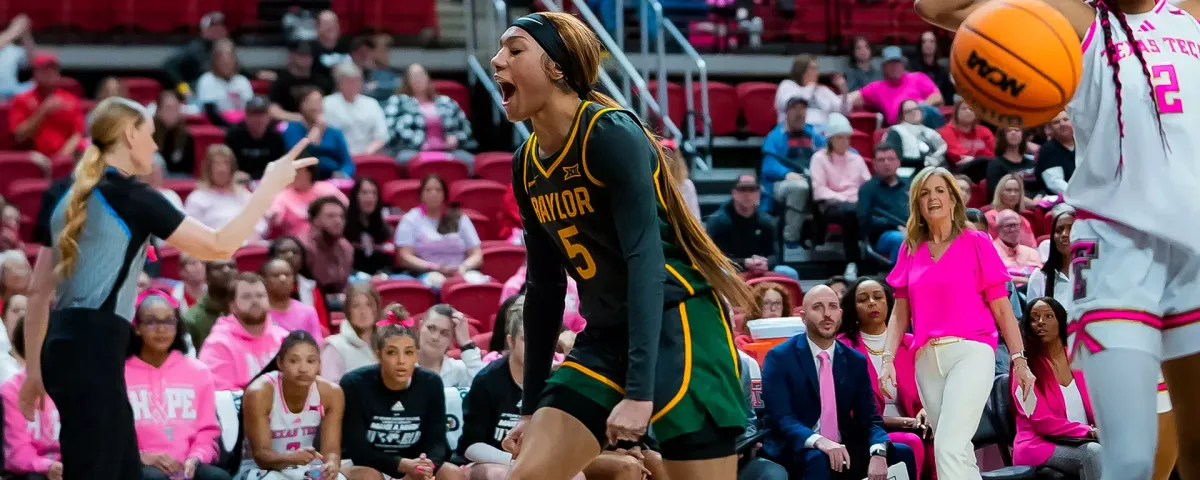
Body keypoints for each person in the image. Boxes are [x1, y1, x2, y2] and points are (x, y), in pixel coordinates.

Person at [493, 11, 753, 480]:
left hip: (679, 321)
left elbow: (645, 259)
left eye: (514, 51)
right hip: (608, 331)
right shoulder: (526, 163)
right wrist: (531, 406)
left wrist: (638, 392)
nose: (496, 62)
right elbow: (545, 285)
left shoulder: (609, 133)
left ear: (556, 67)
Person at [17, 97, 314, 479]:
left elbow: (39, 292)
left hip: (64, 346)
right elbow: (220, 245)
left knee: (119, 468)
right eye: (150, 135)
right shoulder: (132, 197)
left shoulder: (61, 192)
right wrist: (269, 185)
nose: (156, 147)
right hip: (95, 349)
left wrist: (33, 374)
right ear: (129, 134)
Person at [877, 167, 1033, 480]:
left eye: (939, 191)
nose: (932, 197)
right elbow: (899, 313)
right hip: (926, 358)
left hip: (972, 351)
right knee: (958, 453)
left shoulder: (977, 241)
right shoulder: (910, 248)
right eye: (924, 193)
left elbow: (1002, 309)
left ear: (952, 200)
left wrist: (1019, 360)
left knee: (948, 446)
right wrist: (888, 358)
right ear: (917, 204)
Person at [760, 285, 918, 479]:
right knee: (819, 459)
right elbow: (782, 419)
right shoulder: (780, 357)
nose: (827, 314)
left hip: (842, 445)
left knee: (902, 453)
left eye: (833, 307)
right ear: (803, 316)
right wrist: (819, 441)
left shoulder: (854, 360)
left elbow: (870, 419)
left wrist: (879, 451)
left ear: (840, 314)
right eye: (818, 307)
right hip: (798, 446)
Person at [339, 324, 465, 480]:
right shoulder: (354, 384)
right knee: (368, 477)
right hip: (369, 465)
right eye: (392, 353)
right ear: (379, 355)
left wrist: (426, 466)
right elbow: (357, 449)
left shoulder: (431, 382)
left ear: (416, 356)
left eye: (408, 353)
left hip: (414, 465)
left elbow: (437, 442)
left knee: (452, 474)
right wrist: (401, 464)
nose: (401, 361)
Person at [125, 290, 229, 480]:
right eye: (151, 321)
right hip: (140, 466)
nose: (161, 329)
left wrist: (196, 458)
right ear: (137, 328)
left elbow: (207, 432)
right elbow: (112, 435)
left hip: (188, 465)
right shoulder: (120, 374)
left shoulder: (198, 372)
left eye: (168, 321)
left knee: (218, 477)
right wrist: (140, 457)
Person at [838, 277, 932, 479]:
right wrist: (905, 423)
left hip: (917, 425)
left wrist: (925, 410)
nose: (872, 302)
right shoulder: (843, 348)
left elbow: (929, 387)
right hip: (870, 432)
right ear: (852, 309)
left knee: (942, 440)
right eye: (863, 299)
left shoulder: (909, 343)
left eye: (878, 297)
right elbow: (852, 413)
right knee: (911, 442)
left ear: (889, 304)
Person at [1011, 297, 1101, 478]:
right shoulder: (1023, 370)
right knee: (1093, 454)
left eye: (1048, 316)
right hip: (1040, 444)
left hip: (1082, 438)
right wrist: (1089, 432)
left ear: (1061, 321)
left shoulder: (1078, 357)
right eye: (1034, 318)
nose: (1041, 322)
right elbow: (1043, 422)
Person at [235, 331, 345, 479]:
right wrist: (291, 458)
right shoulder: (259, 392)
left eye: (311, 361)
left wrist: (331, 464)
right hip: (259, 469)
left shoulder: (331, 393)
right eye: (294, 361)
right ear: (280, 363)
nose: (303, 369)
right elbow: (261, 456)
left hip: (303, 468)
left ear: (319, 364)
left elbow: (331, 450)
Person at [197, 272, 291, 391]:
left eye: (260, 295)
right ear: (233, 306)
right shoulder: (218, 344)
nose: (255, 301)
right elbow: (222, 397)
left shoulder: (284, 339)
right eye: (246, 296)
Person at [3, 318, 63, 480]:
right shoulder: (10, 391)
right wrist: (47, 466)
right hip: (31, 472)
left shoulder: (74, 385)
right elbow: (17, 453)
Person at [810, 113, 870, 277]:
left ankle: (870, 256)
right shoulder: (819, 158)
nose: (845, 141)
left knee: (864, 212)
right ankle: (853, 261)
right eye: (840, 138)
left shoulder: (856, 159)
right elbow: (819, 190)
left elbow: (867, 185)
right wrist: (844, 198)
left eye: (847, 138)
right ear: (831, 139)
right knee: (850, 213)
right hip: (831, 204)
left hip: (855, 203)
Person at [382, 63, 475, 167]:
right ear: (407, 81)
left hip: (447, 150)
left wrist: (456, 138)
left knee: (469, 161)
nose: (418, 79)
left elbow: (465, 127)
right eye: (413, 76)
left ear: (427, 78)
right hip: (413, 151)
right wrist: (420, 143)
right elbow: (391, 131)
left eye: (421, 74)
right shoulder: (398, 102)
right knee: (404, 159)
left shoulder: (446, 102)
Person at [855, 144, 909, 262]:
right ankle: (899, 278)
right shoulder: (867, 189)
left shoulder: (909, 186)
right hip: (883, 236)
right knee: (901, 238)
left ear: (898, 162)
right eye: (881, 160)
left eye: (890, 159)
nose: (886, 163)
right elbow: (865, 220)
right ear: (874, 164)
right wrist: (895, 226)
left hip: (913, 230)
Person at [323, 62, 388, 156]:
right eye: (349, 81)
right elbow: (326, 135)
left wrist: (366, 152)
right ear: (339, 82)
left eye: (357, 81)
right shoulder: (327, 103)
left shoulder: (371, 103)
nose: (354, 85)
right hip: (338, 156)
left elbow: (381, 136)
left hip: (368, 155)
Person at [320, 283, 380, 383]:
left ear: (377, 309)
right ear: (347, 311)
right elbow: (328, 392)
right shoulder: (334, 347)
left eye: (369, 305)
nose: (363, 311)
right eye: (356, 306)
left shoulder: (387, 342)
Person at [415, 304, 484, 388]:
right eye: (431, 328)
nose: (435, 337)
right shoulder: (401, 365)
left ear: (452, 339)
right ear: (420, 326)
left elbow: (485, 388)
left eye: (444, 333)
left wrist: (466, 343)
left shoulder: (458, 370)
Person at [774, 54, 844, 127]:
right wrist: (810, 87)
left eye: (817, 69)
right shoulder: (787, 85)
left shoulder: (822, 90)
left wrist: (843, 90)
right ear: (801, 70)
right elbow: (796, 105)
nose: (817, 73)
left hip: (821, 133)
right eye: (813, 69)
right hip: (793, 132)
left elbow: (843, 110)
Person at [262, 258, 324, 340]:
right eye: (276, 275)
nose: (283, 279)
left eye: (287, 275)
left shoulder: (308, 312)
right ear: (264, 280)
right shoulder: (260, 312)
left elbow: (317, 345)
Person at [345, 177, 395, 275]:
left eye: (374, 193)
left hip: (381, 277)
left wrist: (383, 274)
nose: (370, 197)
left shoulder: (385, 229)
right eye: (364, 193)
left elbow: (389, 261)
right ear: (355, 196)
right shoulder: (343, 227)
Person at [884, 99, 947, 168]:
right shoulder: (896, 131)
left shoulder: (931, 132)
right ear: (902, 116)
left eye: (916, 109)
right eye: (908, 111)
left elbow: (942, 151)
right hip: (907, 173)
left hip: (933, 171)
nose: (914, 112)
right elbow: (894, 158)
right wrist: (924, 162)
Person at [151, 90, 196, 176]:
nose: (173, 113)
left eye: (176, 108)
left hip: (179, 178)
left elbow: (188, 170)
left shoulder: (186, 136)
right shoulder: (148, 133)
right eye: (168, 108)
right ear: (159, 110)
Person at [1033, 112, 1076, 196]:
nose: (1062, 124)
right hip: (1063, 201)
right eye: (1056, 122)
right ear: (1050, 128)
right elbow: (1054, 183)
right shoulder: (1048, 150)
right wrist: (1079, 197)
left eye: (1066, 119)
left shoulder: (1084, 144)